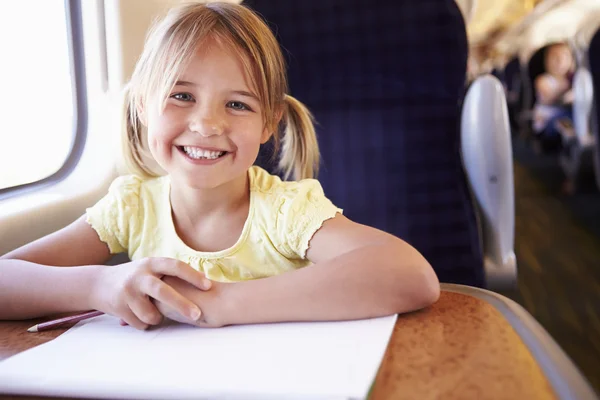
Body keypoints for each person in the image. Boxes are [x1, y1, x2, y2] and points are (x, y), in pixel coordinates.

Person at [0, 2, 439, 330]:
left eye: (236, 104)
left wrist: (223, 304)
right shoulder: (131, 208)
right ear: (141, 107)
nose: (207, 124)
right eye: (182, 96)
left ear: (269, 123)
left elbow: (411, 275)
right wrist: (99, 286)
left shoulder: (285, 213)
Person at [533, 43, 575, 140]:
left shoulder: (571, 79)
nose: (559, 61)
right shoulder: (543, 80)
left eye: (564, 56)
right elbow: (549, 98)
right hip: (546, 121)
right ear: (546, 61)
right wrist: (565, 87)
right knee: (563, 118)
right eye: (554, 57)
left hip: (565, 116)